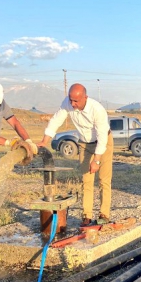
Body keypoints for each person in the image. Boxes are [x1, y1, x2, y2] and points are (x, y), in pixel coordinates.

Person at [38, 83, 113, 226]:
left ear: (85, 97)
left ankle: (104, 214)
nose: (72, 104)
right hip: (84, 143)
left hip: (104, 142)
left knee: (104, 179)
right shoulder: (68, 103)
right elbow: (56, 120)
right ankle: (87, 216)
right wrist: (44, 141)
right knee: (86, 180)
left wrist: (96, 160)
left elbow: (102, 137)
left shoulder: (97, 110)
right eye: (70, 100)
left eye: (76, 101)